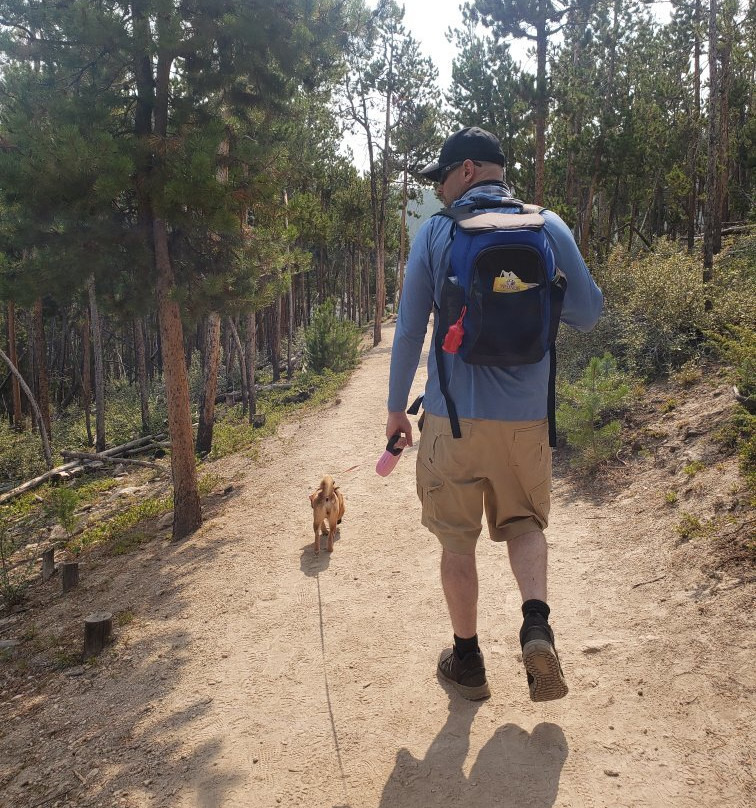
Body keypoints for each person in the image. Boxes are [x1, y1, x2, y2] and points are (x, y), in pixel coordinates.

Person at [385, 126, 603, 702]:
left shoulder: (436, 233)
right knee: (524, 525)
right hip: (526, 420)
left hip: (453, 420)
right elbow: (589, 312)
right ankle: (536, 627)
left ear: (468, 169)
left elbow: (409, 332)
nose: (440, 194)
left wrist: (394, 410)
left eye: (443, 180)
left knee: (457, 545)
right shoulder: (546, 225)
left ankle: (469, 662)